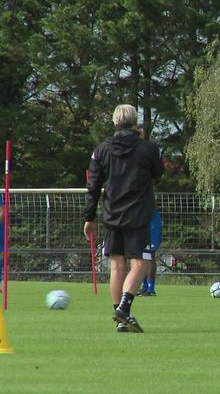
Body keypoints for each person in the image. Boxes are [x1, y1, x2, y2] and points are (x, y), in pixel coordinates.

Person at [83, 104, 164, 333]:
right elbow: (158, 173)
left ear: (114, 122)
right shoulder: (148, 148)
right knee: (141, 263)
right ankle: (124, 308)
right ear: (134, 122)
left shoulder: (101, 150)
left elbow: (93, 185)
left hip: (111, 214)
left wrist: (89, 217)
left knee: (117, 266)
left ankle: (120, 319)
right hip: (138, 214)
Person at [139, 205, 162, 296]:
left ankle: (151, 288)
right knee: (141, 256)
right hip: (141, 224)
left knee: (150, 256)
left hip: (151, 224)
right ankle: (144, 287)